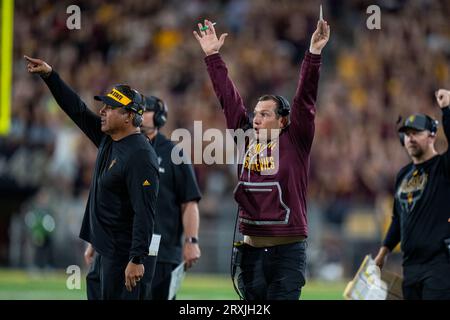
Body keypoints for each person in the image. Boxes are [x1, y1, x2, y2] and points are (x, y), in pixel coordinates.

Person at [193, 18, 330, 300]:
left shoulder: (297, 139)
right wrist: (212, 56)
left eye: (265, 114)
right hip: (250, 253)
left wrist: (313, 54)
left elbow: (305, 98)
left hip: (287, 253)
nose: (255, 119)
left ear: (283, 121)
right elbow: (228, 98)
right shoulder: (246, 138)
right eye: (255, 113)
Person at [25, 55, 160, 300]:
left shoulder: (141, 156)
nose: (103, 111)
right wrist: (50, 75)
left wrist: (137, 258)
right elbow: (76, 109)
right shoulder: (109, 139)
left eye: (110, 107)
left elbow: (145, 212)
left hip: (123, 258)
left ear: (129, 116)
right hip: (103, 253)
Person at [84, 95, 202, 300]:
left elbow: (189, 202)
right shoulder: (121, 146)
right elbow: (111, 198)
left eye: (146, 110)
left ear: (160, 118)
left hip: (163, 249)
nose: (142, 114)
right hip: (124, 246)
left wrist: (192, 240)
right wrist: (96, 239)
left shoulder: (175, 154)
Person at [374, 89, 450, 300]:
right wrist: (384, 251)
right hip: (410, 266)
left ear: (432, 135)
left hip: (440, 265)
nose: (410, 138)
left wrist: (447, 110)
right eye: (407, 134)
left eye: (416, 133)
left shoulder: (443, 167)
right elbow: (398, 219)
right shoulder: (403, 175)